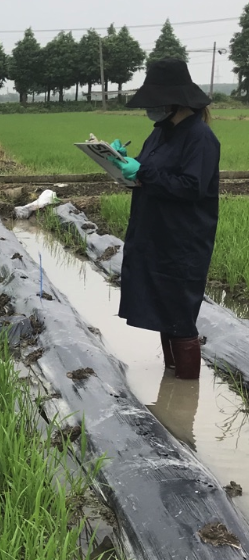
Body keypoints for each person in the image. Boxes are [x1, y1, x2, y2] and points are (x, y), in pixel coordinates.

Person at [108, 58, 219, 380]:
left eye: (154, 102)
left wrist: (143, 171)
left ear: (173, 101)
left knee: (180, 315)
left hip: (182, 240)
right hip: (153, 233)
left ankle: (186, 390)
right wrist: (121, 161)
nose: (150, 109)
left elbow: (192, 187)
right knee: (163, 311)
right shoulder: (160, 134)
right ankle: (171, 376)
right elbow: (146, 175)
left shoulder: (200, 138)